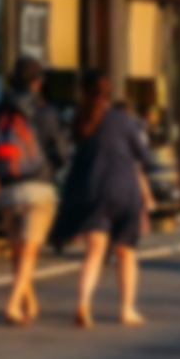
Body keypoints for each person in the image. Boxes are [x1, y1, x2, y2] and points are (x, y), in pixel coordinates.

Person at [50, 69, 156, 329]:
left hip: (92, 192)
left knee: (94, 253)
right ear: (109, 91)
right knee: (126, 253)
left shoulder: (80, 121)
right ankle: (126, 309)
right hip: (123, 190)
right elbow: (144, 156)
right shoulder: (123, 119)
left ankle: (83, 303)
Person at [0, 58, 71, 326]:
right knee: (30, 249)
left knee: (19, 250)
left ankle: (30, 301)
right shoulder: (47, 112)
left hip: (7, 190)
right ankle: (13, 304)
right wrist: (50, 170)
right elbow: (62, 153)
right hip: (39, 189)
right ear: (38, 83)